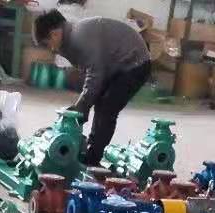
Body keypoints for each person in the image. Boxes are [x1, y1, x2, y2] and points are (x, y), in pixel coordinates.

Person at [33, 10, 151, 166]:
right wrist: (82, 109)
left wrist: (82, 105)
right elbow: (91, 74)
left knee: (106, 107)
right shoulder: (68, 41)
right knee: (94, 102)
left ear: (54, 34)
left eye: (47, 44)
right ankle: (87, 149)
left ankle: (92, 160)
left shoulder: (79, 37)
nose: (51, 49)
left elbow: (96, 74)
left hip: (135, 63)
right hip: (114, 65)